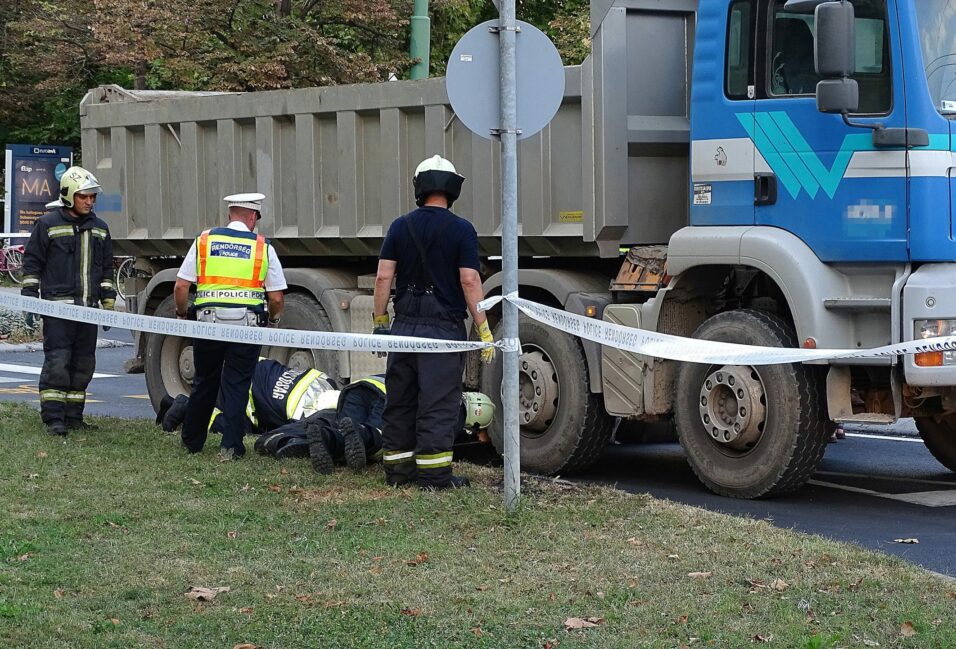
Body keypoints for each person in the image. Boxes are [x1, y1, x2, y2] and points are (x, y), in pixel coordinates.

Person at [372, 154, 495, 490]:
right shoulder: (461, 230)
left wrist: (381, 320)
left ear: (419, 188)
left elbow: (384, 277)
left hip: (404, 327)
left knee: (400, 399)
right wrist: (483, 327)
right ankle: (434, 477)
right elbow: (469, 280)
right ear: (453, 189)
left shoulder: (400, 226)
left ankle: (398, 472)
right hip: (442, 332)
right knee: (438, 404)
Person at [174, 193, 287, 459]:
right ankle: (231, 447)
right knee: (237, 384)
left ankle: (192, 441)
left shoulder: (205, 241)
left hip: (207, 325)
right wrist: (273, 321)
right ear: (252, 217)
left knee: (204, 382)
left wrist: (181, 315)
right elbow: (277, 297)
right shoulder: (262, 247)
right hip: (246, 327)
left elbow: (181, 285)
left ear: (229, 215)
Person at [21, 166, 116, 436]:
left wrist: (108, 304)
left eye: (92, 197)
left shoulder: (100, 229)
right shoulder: (48, 224)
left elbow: (106, 270)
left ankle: (74, 416)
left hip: (88, 312)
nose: (90, 201)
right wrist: (30, 299)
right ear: (69, 195)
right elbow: (32, 263)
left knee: (83, 364)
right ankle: (54, 418)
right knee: (58, 363)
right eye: (84, 196)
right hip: (58, 311)